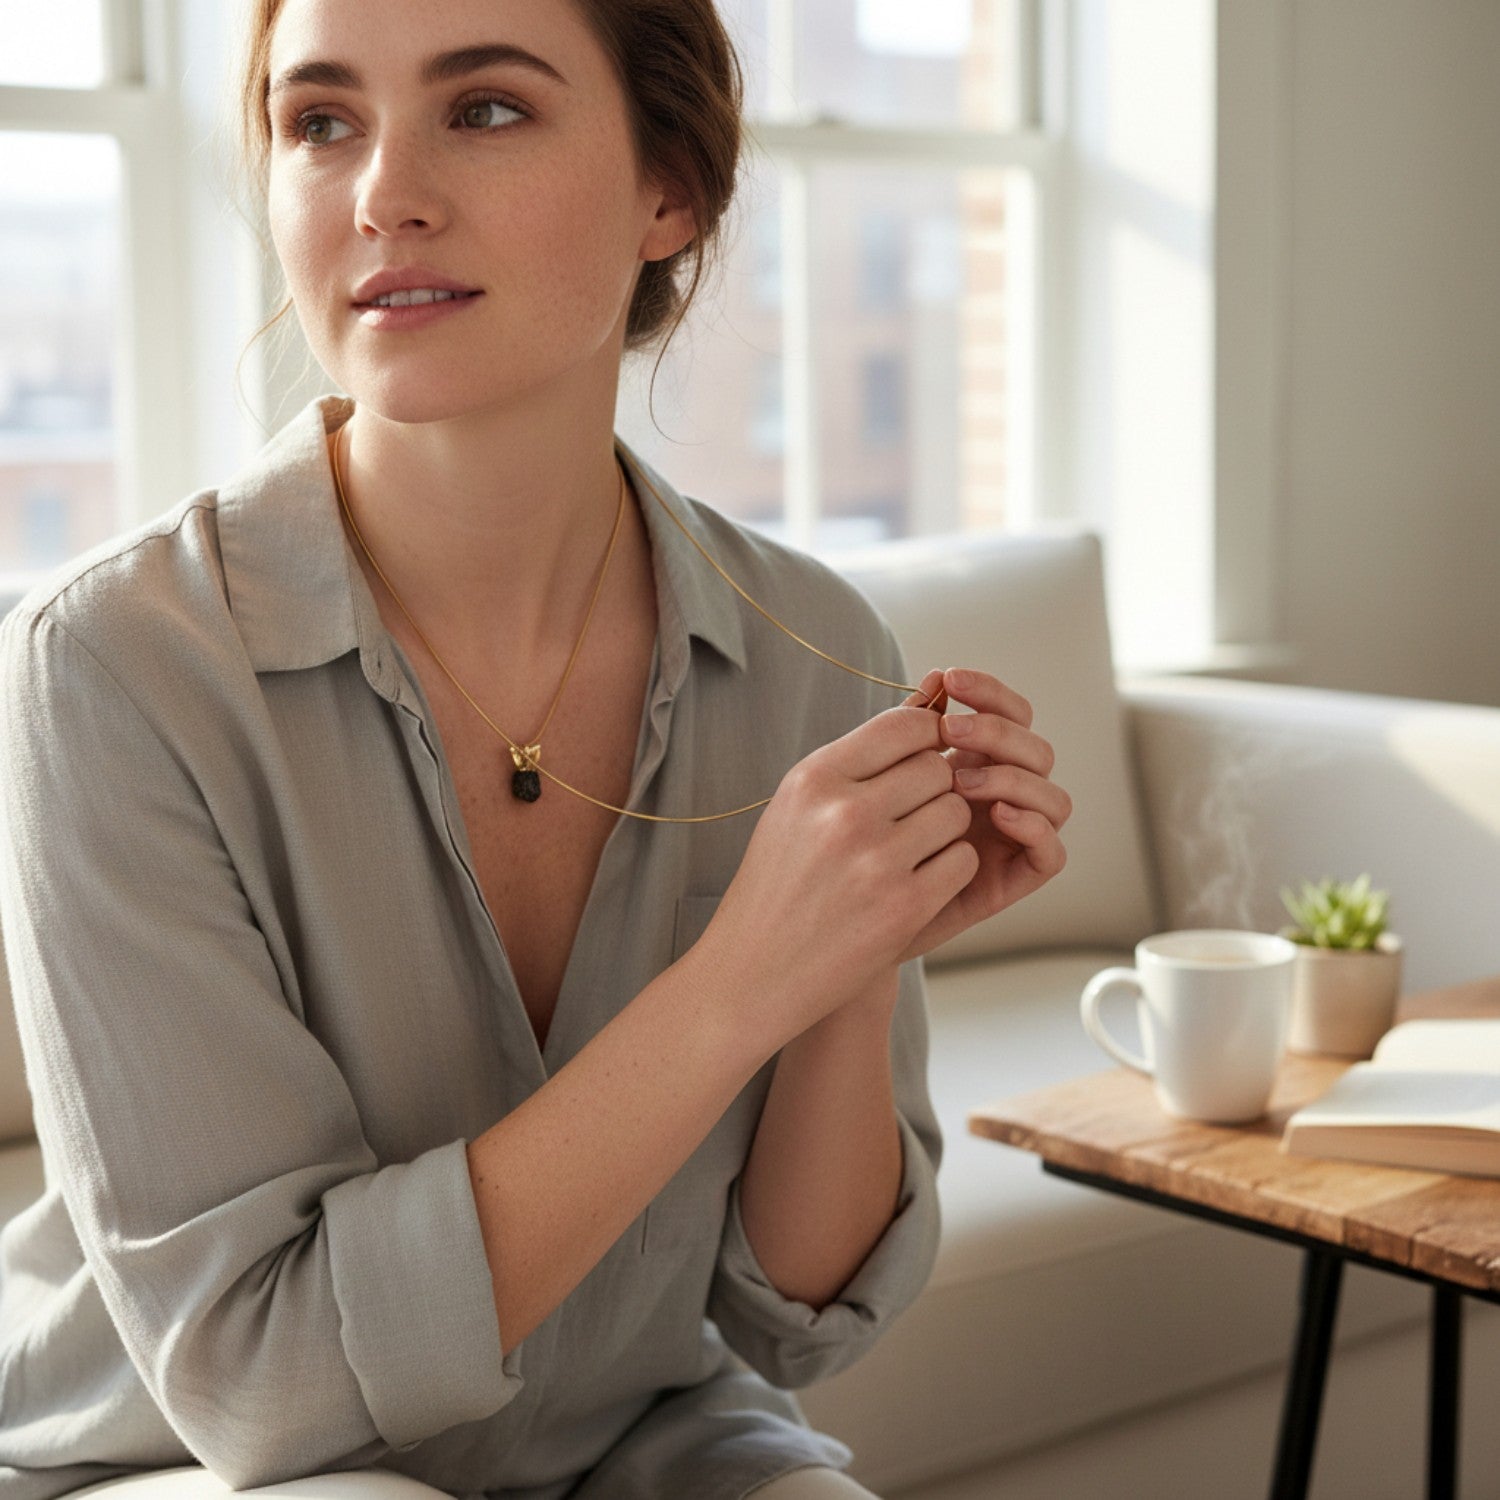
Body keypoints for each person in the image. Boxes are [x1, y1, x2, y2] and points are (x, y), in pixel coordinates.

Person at [0, 1, 1071, 1497]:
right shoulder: (115, 669)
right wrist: (739, 979)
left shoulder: (815, 644)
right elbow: (263, 1387)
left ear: (671, 187)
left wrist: (852, 951)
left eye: (485, 108)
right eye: (321, 121)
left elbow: (797, 1318)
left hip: (632, 1432)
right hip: (189, 1463)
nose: (384, 191)